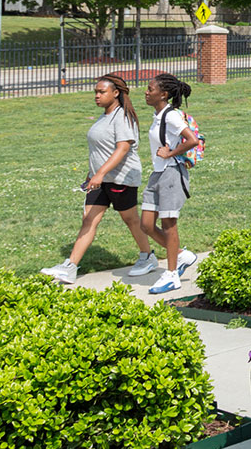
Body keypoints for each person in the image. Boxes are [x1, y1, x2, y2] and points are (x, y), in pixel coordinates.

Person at [42, 75, 153, 285]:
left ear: (116, 93)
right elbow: (100, 150)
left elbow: (122, 149)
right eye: (96, 92)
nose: (97, 96)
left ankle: (147, 256)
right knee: (89, 219)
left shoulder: (123, 117)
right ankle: (70, 267)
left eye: (102, 92)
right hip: (100, 179)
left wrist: (100, 173)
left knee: (130, 219)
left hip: (121, 178)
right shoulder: (104, 116)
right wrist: (92, 174)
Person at [140, 72, 200, 295]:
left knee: (168, 224)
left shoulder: (171, 116)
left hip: (171, 174)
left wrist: (170, 153)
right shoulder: (158, 115)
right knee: (146, 225)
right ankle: (181, 255)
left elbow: (192, 140)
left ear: (163, 94)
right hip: (157, 174)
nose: (146, 92)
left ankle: (172, 274)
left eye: (150, 89)